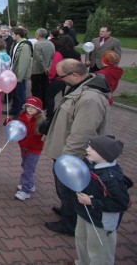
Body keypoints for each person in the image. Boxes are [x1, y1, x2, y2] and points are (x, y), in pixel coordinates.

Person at [43, 59, 112, 236]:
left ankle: (70, 223)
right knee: (65, 189)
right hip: (65, 149)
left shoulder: (90, 98)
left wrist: (67, 159)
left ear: (75, 75)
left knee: (69, 188)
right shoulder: (77, 87)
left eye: (61, 76)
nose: (59, 79)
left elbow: (82, 133)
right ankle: (69, 210)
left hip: (72, 155)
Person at [72, 135, 132, 265]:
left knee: (99, 250)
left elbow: (122, 203)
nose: (87, 149)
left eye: (92, 148)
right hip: (85, 212)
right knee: (81, 239)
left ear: (105, 155)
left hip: (101, 220)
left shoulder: (112, 178)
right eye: (88, 146)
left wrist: (92, 202)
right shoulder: (91, 163)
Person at [14, 96, 45, 201]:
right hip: (23, 146)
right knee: (25, 165)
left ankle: (25, 191)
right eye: (28, 107)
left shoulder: (41, 121)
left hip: (34, 148)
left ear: (38, 109)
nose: (30, 109)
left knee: (28, 168)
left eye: (33, 107)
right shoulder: (22, 116)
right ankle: (30, 184)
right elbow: (18, 128)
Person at [30, 28, 55, 106]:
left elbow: (39, 58)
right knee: (45, 87)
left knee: (36, 88)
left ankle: (37, 104)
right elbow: (53, 57)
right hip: (47, 69)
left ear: (38, 35)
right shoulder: (51, 43)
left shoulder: (38, 44)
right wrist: (49, 67)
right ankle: (45, 103)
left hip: (37, 70)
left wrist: (44, 68)